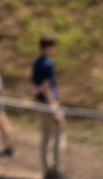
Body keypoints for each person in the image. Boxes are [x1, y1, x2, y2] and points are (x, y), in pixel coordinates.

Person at [31, 34, 64, 178]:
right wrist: (54, 108)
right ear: (49, 47)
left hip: (40, 102)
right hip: (49, 103)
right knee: (58, 135)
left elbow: (33, 85)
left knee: (45, 136)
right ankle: (54, 170)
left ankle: (47, 169)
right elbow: (46, 86)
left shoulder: (37, 62)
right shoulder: (47, 63)